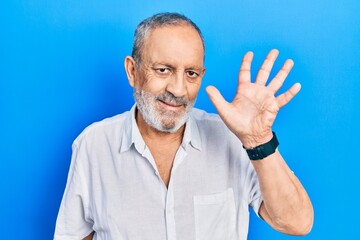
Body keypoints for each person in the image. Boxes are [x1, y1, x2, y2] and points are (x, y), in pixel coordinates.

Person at [54, 12, 313, 240]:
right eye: (163, 70)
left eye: (191, 73)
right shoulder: (93, 144)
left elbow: (297, 223)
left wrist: (258, 139)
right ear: (133, 71)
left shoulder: (232, 140)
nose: (178, 90)